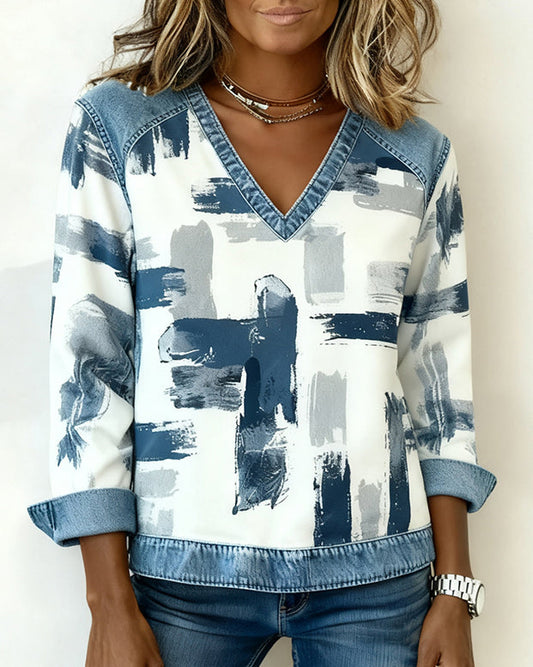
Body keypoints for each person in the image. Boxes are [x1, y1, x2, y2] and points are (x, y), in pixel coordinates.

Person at [27, 0, 497, 665]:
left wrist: (454, 589)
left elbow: (438, 384)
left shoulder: (415, 155)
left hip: (378, 577)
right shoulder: (123, 131)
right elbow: (88, 368)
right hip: (179, 577)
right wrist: (107, 602)